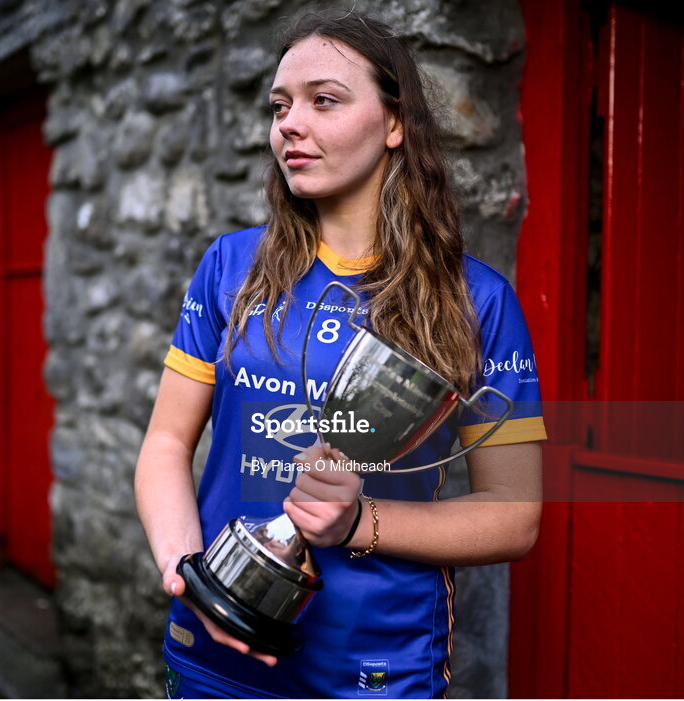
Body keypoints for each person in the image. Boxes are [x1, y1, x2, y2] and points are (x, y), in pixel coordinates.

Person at [135, 8, 546, 699]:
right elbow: (165, 446)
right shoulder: (230, 267)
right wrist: (196, 580)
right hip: (214, 657)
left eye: (323, 100)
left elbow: (515, 512)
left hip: (376, 670)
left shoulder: (478, 300)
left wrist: (361, 522)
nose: (289, 124)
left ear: (393, 124)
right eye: (280, 105)